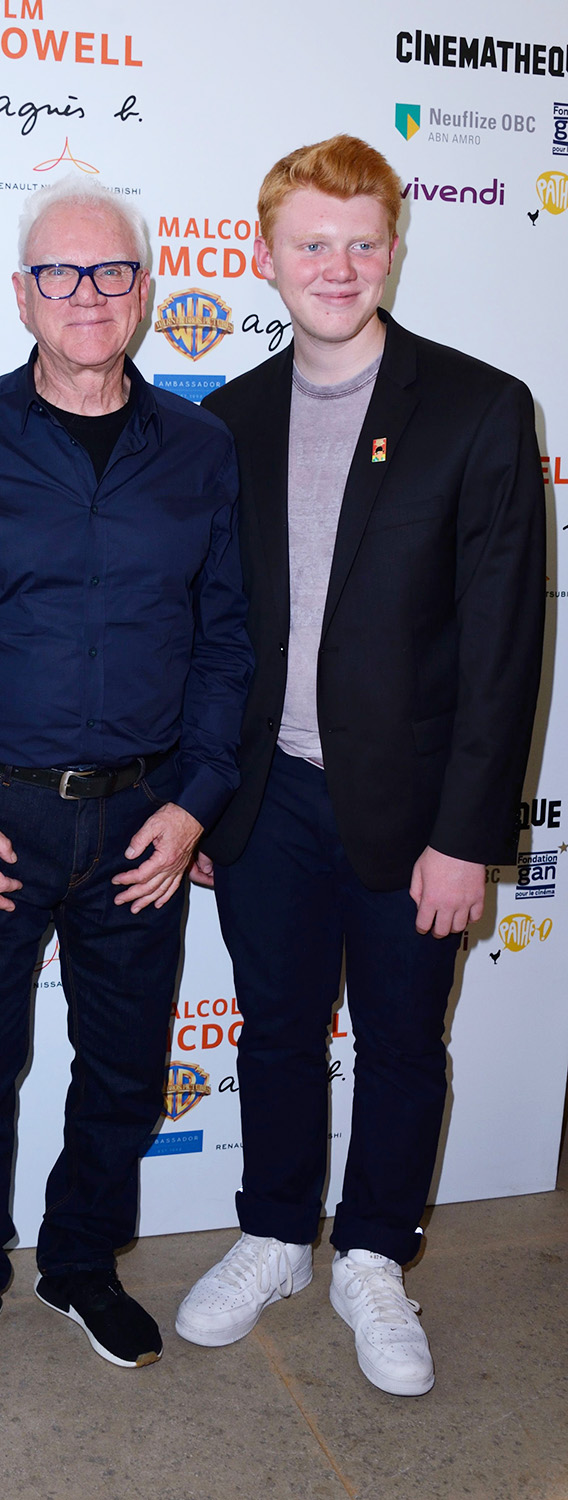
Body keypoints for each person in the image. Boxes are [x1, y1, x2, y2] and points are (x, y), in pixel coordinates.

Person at [175, 135, 546, 1397]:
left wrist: (468, 834)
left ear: (395, 246)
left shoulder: (480, 408)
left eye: (362, 241)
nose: (337, 266)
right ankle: (278, 1232)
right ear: (264, 256)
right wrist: (209, 806)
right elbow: (213, 634)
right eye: (310, 243)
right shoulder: (222, 420)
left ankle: (375, 1257)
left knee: (398, 1044)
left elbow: (506, 646)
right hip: (267, 800)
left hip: (414, 812)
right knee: (275, 1032)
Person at [0, 177, 253, 1394]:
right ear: (21, 295)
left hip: (143, 822)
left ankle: (82, 1262)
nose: (88, 295)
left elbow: (224, 648)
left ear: (146, 290)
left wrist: (195, 800)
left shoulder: (201, 451)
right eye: (61, 273)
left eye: (111, 273)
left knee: (119, 1063)